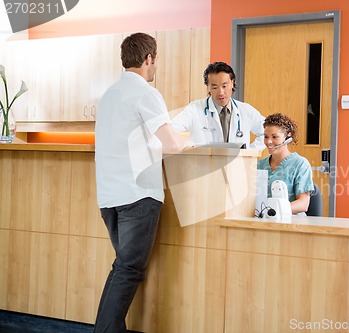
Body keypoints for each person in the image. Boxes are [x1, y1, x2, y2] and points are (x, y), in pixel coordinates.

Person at [94, 32, 192, 333]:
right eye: (156, 59)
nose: (156, 65)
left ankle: (110, 329)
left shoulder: (109, 94)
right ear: (149, 58)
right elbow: (172, 144)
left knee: (123, 266)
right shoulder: (147, 94)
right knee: (128, 269)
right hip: (138, 196)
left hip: (110, 197)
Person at [172, 61, 265, 149]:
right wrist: (186, 145)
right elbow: (170, 130)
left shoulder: (246, 110)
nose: (221, 92)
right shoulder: (194, 109)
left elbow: (268, 132)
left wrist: (250, 152)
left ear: (232, 83)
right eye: (215, 87)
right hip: (205, 164)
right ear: (208, 87)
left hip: (237, 164)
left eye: (224, 86)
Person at [257, 113, 314, 214]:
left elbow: (303, 204)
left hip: (292, 222)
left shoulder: (300, 164)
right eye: (266, 137)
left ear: (288, 137)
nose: (269, 141)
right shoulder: (259, 165)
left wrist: (273, 211)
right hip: (264, 221)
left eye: (275, 137)